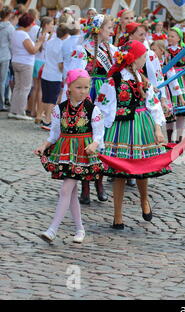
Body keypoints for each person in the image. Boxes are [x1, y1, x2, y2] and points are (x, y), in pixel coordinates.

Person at [96, 40, 171, 229]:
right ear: (134, 59)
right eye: (144, 57)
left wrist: (157, 129)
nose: (146, 60)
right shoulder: (114, 80)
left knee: (141, 168)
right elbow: (102, 107)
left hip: (140, 126)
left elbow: (153, 104)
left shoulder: (143, 79)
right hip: (120, 128)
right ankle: (117, 215)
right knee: (119, 171)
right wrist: (100, 133)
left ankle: (144, 200)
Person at [34, 69, 105, 244]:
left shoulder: (92, 109)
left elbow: (99, 133)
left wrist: (95, 144)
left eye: (86, 87)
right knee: (71, 193)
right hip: (65, 152)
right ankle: (80, 229)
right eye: (79, 87)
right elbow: (54, 134)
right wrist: (44, 145)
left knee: (66, 190)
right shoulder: (59, 109)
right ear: (70, 87)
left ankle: (52, 230)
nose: (83, 91)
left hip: (82, 153)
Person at [69, 14, 117, 204]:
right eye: (109, 28)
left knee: (101, 138)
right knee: (86, 138)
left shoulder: (111, 49)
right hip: (90, 93)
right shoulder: (83, 50)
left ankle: (99, 182)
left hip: (106, 94)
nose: (112, 32)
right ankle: (86, 187)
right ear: (98, 30)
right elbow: (76, 76)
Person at [9, 13, 45, 120]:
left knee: (18, 87)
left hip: (16, 61)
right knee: (25, 88)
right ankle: (20, 111)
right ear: (28, 24)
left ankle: (13, 110)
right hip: (25, 63)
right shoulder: (24, 35)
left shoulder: (15, 33)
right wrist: (40, 42)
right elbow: (33, 50)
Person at [40, 24, 70, 130]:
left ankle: (43, 117)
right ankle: (48, 120)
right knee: (53, 99)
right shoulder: (62, 46)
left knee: (45, 97)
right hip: (55, 75)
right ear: (66, 34)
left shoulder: (50, 41)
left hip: (46, 72)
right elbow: (60, 64)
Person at [0, 5, 14, 112]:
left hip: (4, 54)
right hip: (5, 56)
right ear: (9, 15)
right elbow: (12, 44)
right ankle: (1, 104)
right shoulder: (10, 28)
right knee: (2, 81)